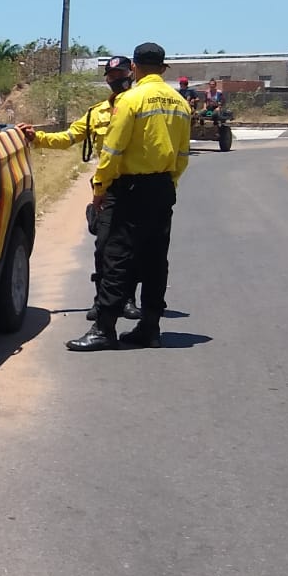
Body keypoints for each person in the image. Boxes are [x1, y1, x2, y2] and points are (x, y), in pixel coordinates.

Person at [67, 41, 192, 352]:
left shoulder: (130, 100)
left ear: (134, 67)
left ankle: (104, 329)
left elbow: (112, 150)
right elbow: (182, 155)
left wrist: (100, 188)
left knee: (116, 258)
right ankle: (150, 328)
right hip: (162, 188)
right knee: (155, 260)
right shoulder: (180, 103)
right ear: (163, 69)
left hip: (130, 189)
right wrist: (168, 183)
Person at [17, 56, 143, 320]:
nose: (116, 80)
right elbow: (68, 137)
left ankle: (128, 299)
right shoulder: (96, 113)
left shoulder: (140, 106)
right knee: (104, 245)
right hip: (108, 187)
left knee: (133, 246)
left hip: (138, 185)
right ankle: (102, 300)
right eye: (111, 76)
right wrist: (36, 137)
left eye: (120, 74)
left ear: (130, 74)